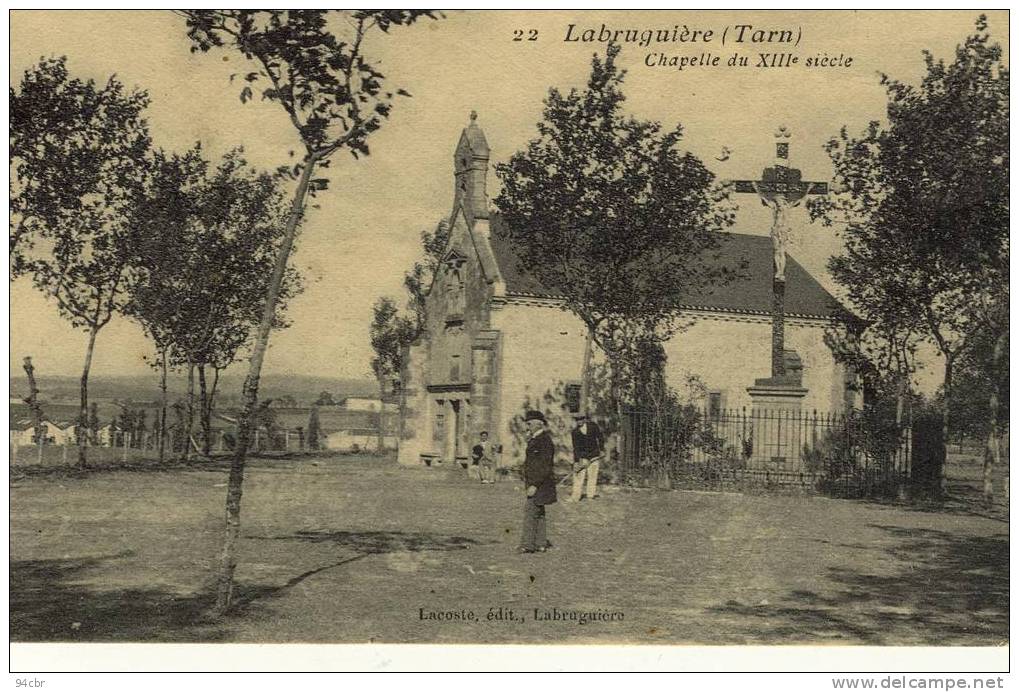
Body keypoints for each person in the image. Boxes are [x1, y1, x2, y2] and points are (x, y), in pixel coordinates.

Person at [519, 410, 555, 554]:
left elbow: (545, 465)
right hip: (539, 482)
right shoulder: (535, 439)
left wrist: (534, 484)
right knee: (539, 512)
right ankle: (540, 543)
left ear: (538, 424)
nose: (527, 427)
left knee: (530, 511)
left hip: (540, 483)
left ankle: (527, 544)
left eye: (529, 424)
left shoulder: (544, 440)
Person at [569, 413, 605, 502]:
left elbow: (600, 437)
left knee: (592, 476)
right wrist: (577, 461)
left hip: (594, 455)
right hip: (583, 457)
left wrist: (602, 449)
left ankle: (590, 496)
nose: (579, 422)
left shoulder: (593, 427)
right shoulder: (575, 432)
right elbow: (576, 448)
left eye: (581, 419)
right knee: (578, 476)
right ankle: (575, 497)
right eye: (577, 420)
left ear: (584, 419)